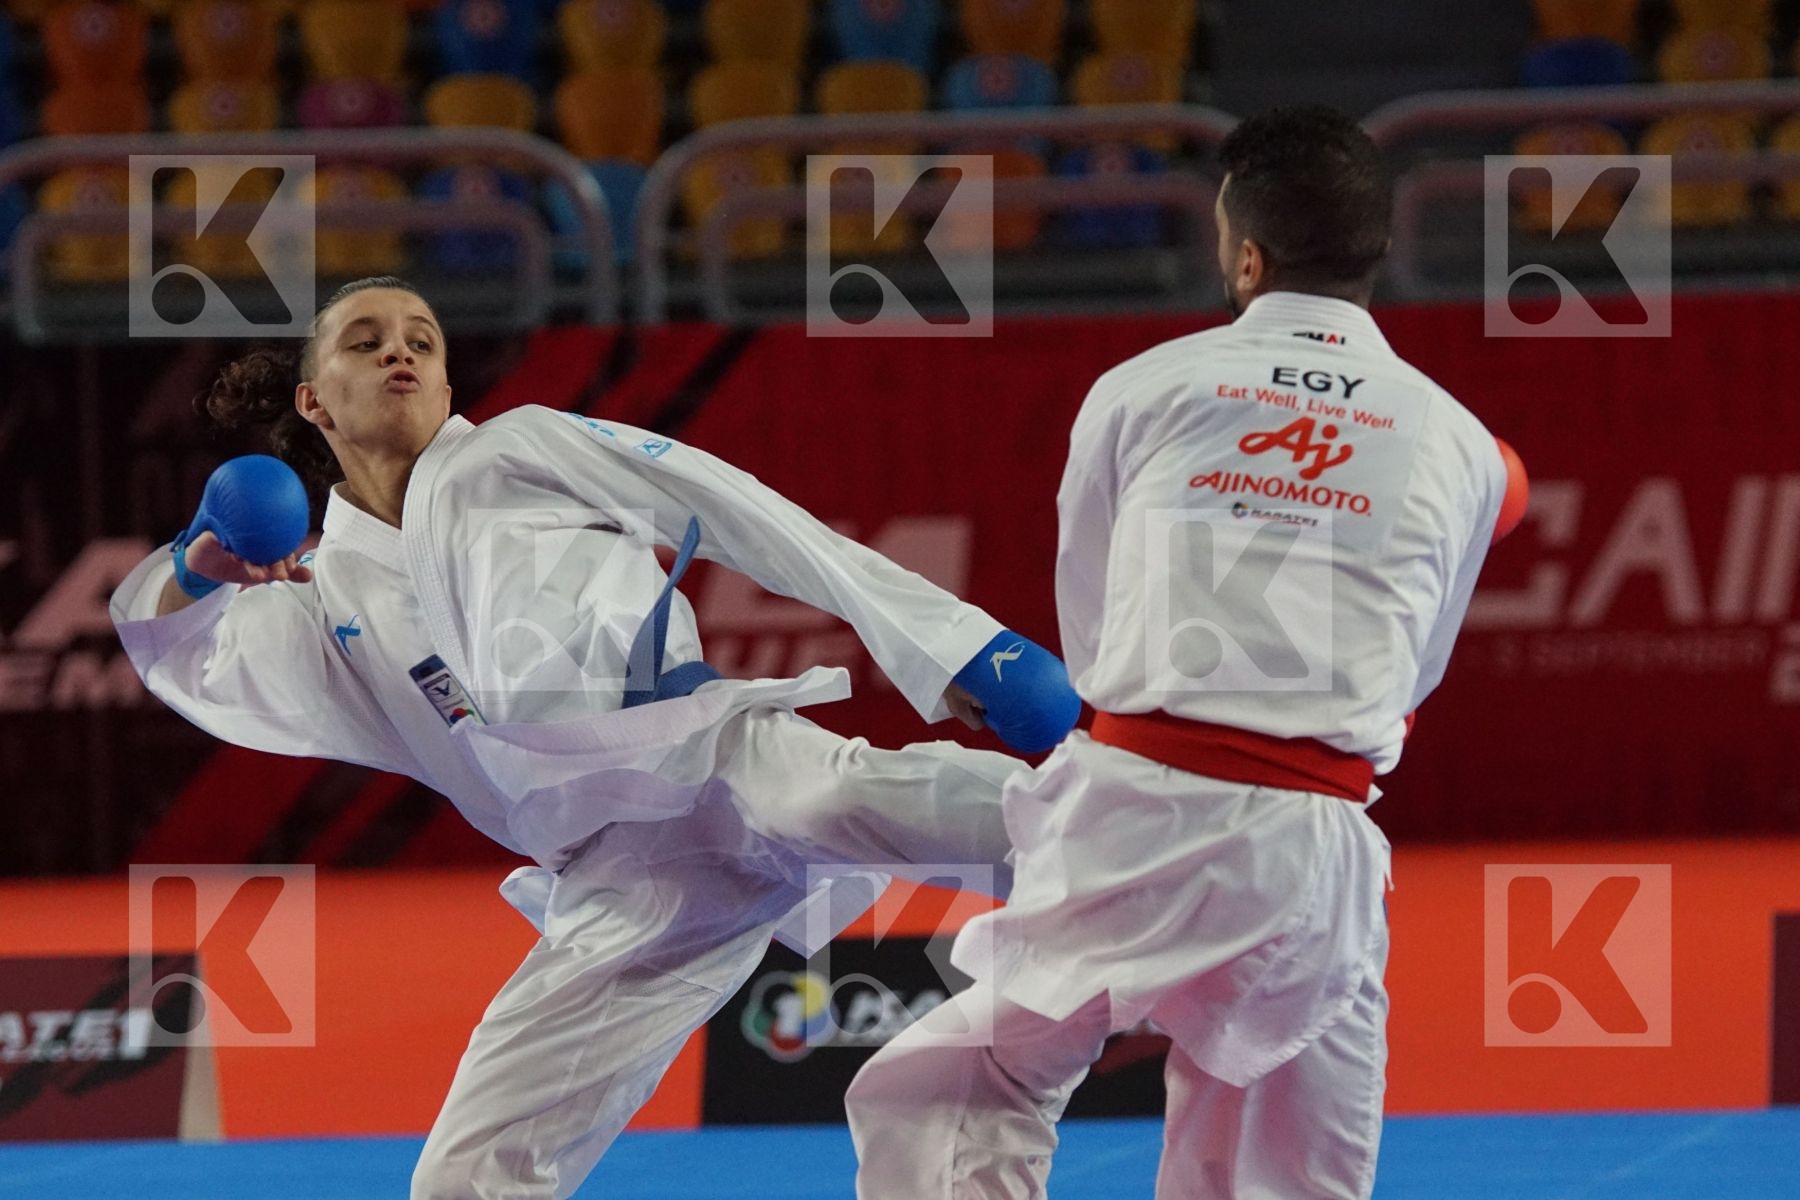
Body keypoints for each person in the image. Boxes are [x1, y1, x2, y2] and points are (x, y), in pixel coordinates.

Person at [108, 276, 1079, 1200]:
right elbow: (188, 657)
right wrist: (192, 568)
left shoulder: (521, 448)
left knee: (846, 795)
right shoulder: (327, 604)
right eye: (366, 344)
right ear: (314, 401)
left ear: (446, 383)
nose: (399, 353)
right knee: (463, 1177)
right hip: (619, 884)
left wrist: (956, 644)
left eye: (421, 342)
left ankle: (1137, 816)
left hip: (713, 758)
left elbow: (734, 505)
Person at [845, 105, 1510, 1198]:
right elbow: (1415, 671)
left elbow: (1093, 622)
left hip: (1139, 811)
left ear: (1247, 256)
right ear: (1377, 250)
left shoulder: (1145, 386)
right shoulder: (1462, 442)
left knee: (958, 1089)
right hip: (1318, 841)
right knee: (1274, 1174)